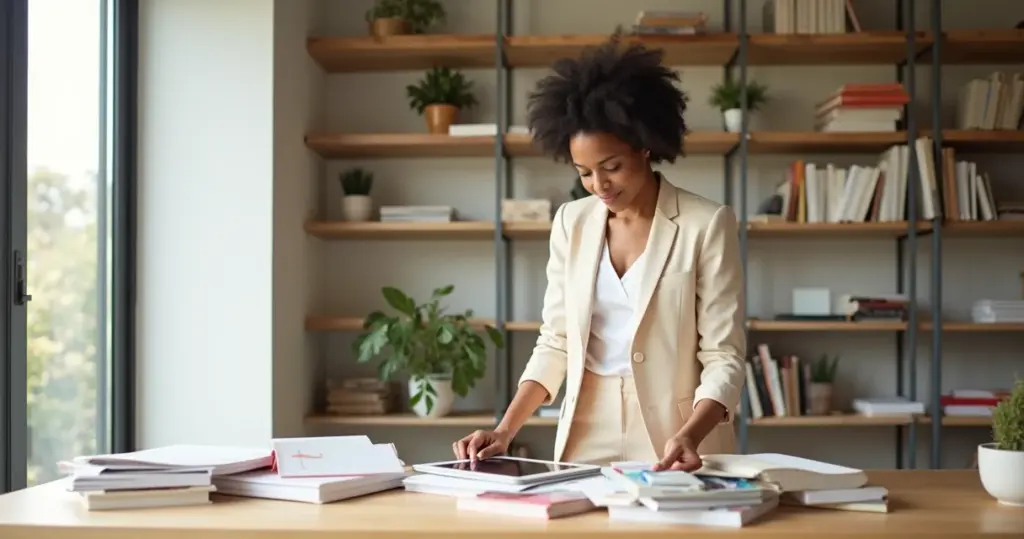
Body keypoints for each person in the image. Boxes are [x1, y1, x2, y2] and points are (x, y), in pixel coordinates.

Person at [453, 38, 746, 471]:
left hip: (679, 433)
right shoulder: (571, 222)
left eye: (611, 167)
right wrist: (505, 429)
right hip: (586, 425)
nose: (599, 185)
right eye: (584, 173)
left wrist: (689, 434)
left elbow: (723, 355)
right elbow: (556, 341)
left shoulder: (707, 223)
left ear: (645, 146)